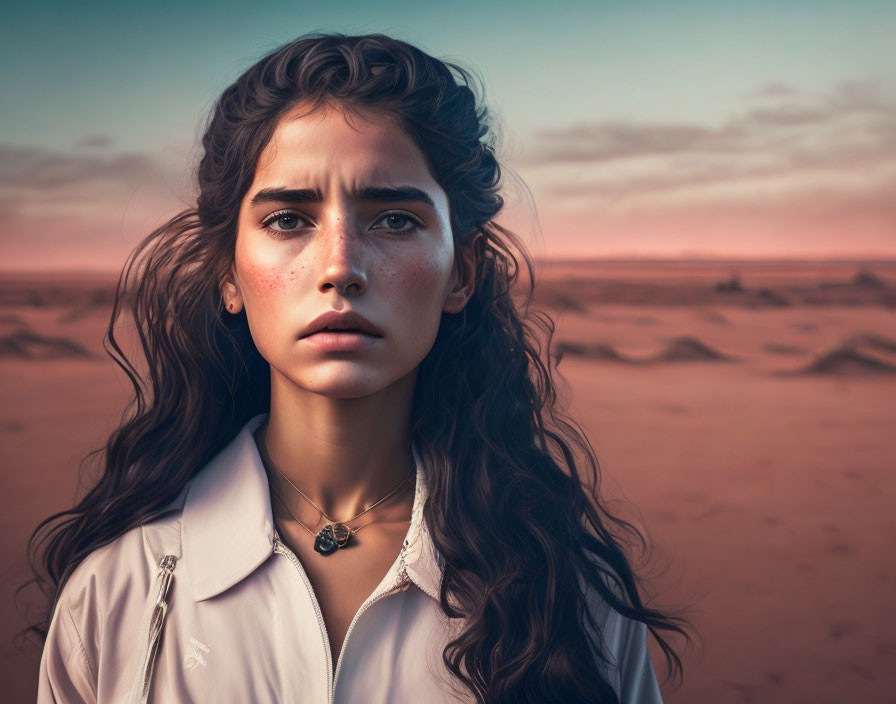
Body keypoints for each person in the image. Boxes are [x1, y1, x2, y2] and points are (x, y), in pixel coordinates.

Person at [27, 32, 692, 703]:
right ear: (229, 273)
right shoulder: (116, 594)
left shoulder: (565, 594)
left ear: (460, 272)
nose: (341, 266)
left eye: (395, 221)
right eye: (289, 219)